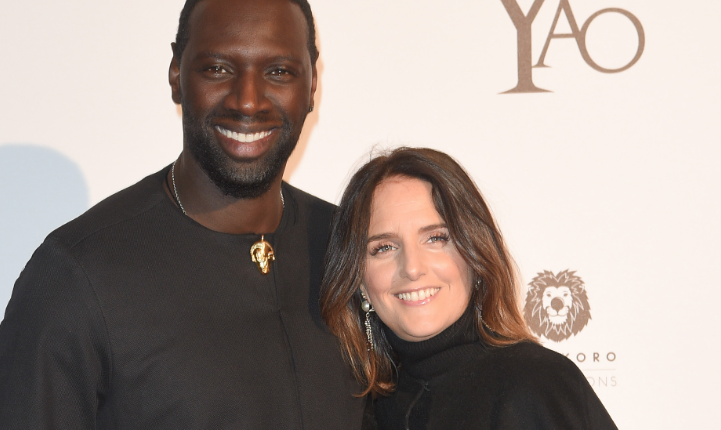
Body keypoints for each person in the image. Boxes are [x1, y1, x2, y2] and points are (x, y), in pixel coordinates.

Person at [0, 0, 364, 428]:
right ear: (176, 74)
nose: (248, 102)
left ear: (312, 83)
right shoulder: (76, 276)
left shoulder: (351, 246)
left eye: (279, 71)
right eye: (218, 69)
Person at [320, 147, 617, 429]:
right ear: (358, 279)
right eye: (384, 247)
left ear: (475, 256)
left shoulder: (536, 384)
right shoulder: (354, 411)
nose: (412, 267)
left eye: (436, 238)